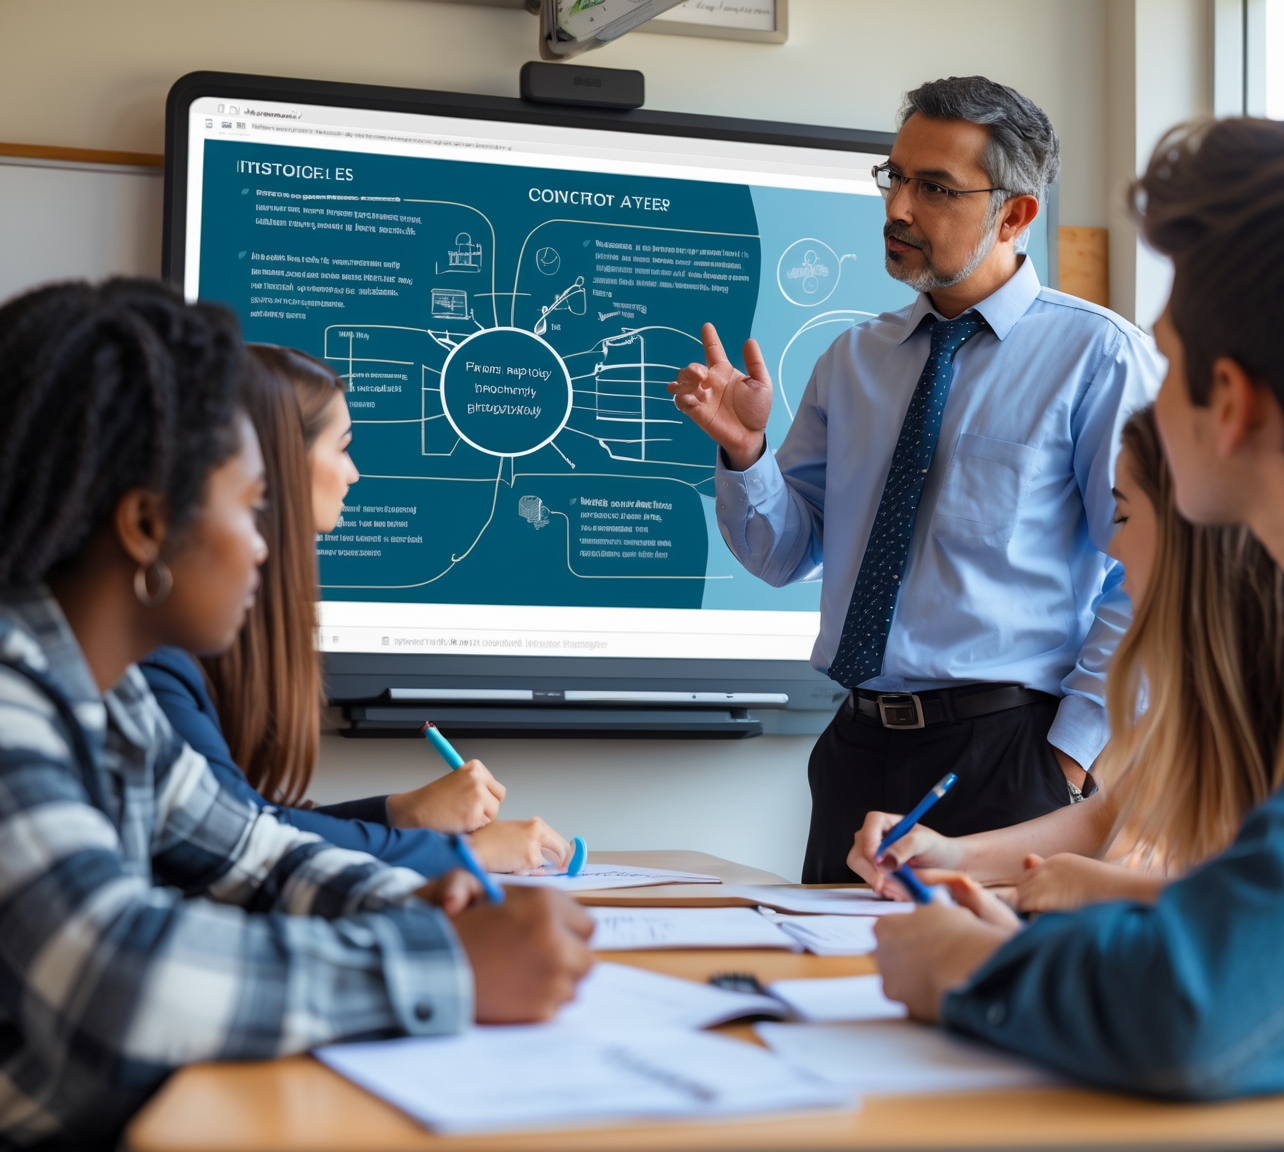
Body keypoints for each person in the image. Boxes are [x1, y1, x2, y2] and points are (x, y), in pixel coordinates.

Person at [871, 109, 1284, 1152]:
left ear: (1228, 406)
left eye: (1169, 362)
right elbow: (1260, 957)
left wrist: (971, 968)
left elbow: (1205, 1006)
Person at [0, 280, 593, 1149]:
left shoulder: (113, 698)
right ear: (145, 524)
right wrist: (447, 963)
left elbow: (258, 854)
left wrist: (431, 905)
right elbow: (114, 971)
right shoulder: (12, 701)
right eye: (248, 507)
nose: (268, 545)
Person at [670, 76, 1163, 882]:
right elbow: (780, 555)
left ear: (1015, 213)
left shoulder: (1098, 357)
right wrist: (746, 451)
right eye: (895, 177)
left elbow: (1151, 578)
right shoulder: (855, 359)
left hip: (1013, 753)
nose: (898, 208)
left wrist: (1069, 758)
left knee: (973, 999)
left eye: (934, 187)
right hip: (855, 749)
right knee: (821, 993)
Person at [846, 406, 1284, 911]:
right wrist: (950, 857)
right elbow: (1114, 817)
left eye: (1124, 516)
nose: (1114, 547)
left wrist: (1099, 889)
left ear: (1195, 529)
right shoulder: (1204, 686)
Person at [140, 345, 569, 876]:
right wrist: (461, 856)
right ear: (274, 465)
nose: (354, 474)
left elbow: (254, 820)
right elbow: (239, 837)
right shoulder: (157, 657)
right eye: (341, 449)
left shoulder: (218, 638)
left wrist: (402, 813)